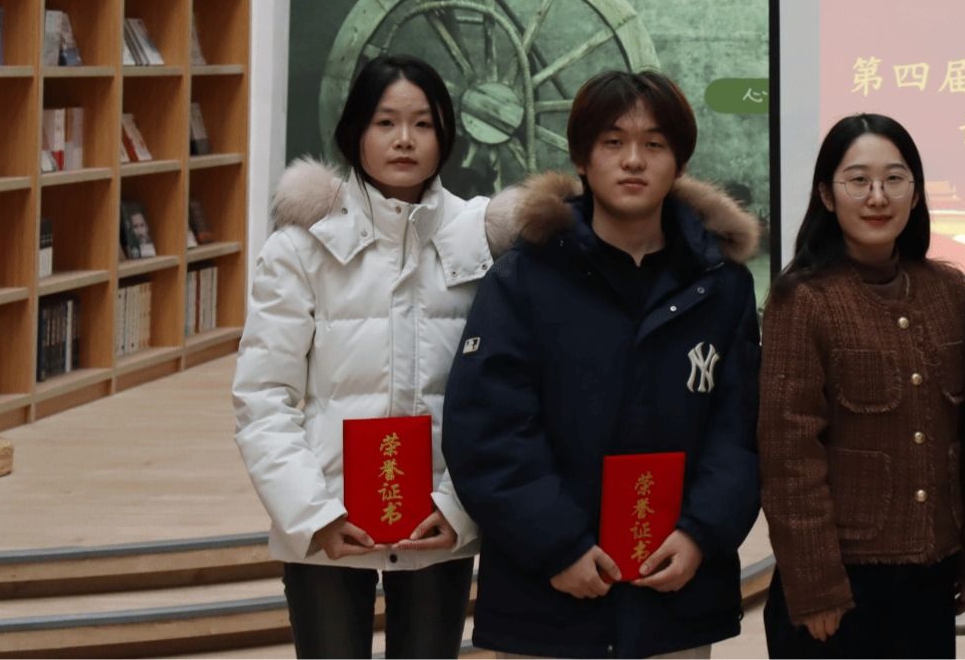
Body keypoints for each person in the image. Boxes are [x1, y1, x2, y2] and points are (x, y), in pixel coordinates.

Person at [443, 70, 762, 660]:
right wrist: (556, 545)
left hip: (675, 592)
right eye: (613, 142)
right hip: (549, 596)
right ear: (582, 159)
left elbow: (740, 430)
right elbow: (487, 429)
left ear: (679, 162)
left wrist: (701, 532)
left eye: (654, 144)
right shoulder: (524, 279)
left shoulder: (722, 287)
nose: (633, 160)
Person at [234, 55, 517, 659]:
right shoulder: (300, 249)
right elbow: (263, 398)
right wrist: (312, 513)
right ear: (354, 132)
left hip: (437, 521)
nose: (404, 140)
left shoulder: (481, 241)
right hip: (329, 517)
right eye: (385, 122)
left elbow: (505, 398)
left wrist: (458, 507)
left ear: (446, 134)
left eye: (423, 123)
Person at [760, 114, 965, 658]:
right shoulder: (802, 300)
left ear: (915, 193)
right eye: (858, 180)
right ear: (826, 196)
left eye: (894, 179)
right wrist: (816, 586)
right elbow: (788, 455)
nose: (877, 197)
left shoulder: (949, 290)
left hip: (931, 574)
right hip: (840, 587)